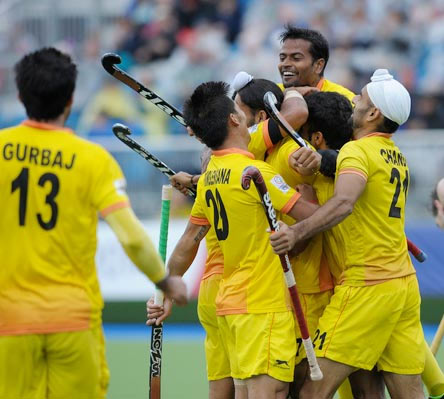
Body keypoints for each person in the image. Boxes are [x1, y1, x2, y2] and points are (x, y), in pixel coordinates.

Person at [0, 47, 187, 399]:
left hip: (10, 320)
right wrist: (165, 281)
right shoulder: (91, 159)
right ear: (71, 99)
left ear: (21, 95)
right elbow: (130, 237)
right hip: (72, 317)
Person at [154, 81, 319, 399]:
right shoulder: (258, 174)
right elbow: (312, 216)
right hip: (262, 306)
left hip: (230, 306)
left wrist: (167, 290)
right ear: (233, 120)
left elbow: (190, 240)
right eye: (239, 112)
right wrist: (316, 193)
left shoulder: (210, 175)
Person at [270, 69, 426, 399]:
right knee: (407, 393)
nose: (354, 100)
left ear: (373, 114)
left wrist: (296, 233)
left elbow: (343, 202)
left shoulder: (357, 151)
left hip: (366, 286)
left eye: (361, 99)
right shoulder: (396, 155)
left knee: (313, 392)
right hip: (403, 285)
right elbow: (336, 164)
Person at [277, 25, 355, 103]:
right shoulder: (272, 94)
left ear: (318, 65)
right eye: (282, 58)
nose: (285, 64)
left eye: (296, 58)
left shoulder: (345, 100)